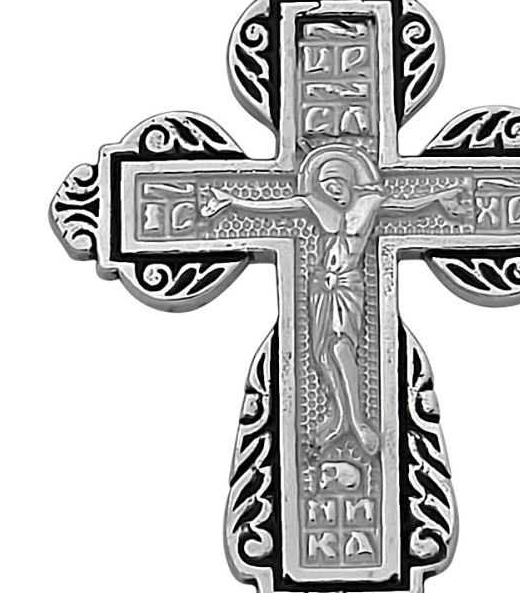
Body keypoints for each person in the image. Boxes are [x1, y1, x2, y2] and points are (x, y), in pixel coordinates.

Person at [201, 146, 469, 454]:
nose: (333, 193)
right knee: (323, 354)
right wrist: (232, 202)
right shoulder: (315, 206)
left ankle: (358, 420)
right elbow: (273, 208)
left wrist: (438, 199)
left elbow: (404, 207)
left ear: (350, 182)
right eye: (326, 187)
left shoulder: (369, 206)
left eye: (337, 186)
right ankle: (341, 418)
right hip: (321, 287)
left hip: (347, 285)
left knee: (342, 346)